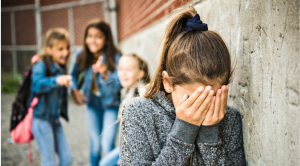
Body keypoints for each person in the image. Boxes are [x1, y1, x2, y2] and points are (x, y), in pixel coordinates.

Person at [120, 7, 246, 166]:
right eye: (194, 99)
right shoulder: (138, 112)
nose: (202, 107)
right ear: (168, 83)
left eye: (211, 97)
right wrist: (183, 132)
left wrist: (210, 136)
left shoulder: (229, 119)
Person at [69, 19, 122, 166]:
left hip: (111, 104)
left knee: (107, 144)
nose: (93, 40)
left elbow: (118, 86)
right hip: (92, 104)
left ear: (106, 39)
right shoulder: (81, 54)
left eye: (98, 36)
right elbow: (71, 75)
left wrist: (105, 74)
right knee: (95, 146)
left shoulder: (115, 56)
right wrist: (74, 90)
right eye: (89, 36)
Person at [30, 28, 73, 166]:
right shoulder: (41, 65)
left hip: (54, 119)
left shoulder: (61, 66)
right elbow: (36, 84)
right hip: (41, 120)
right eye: (60, 49)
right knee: (49, 162)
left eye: (67, 48)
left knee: (66, 159)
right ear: (49, 49)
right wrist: (56, 80)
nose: (65, 52)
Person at [99, 54, 150, 166]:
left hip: (137, 149)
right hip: (127, 145)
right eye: (120, 69)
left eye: (129, 69)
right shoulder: (128, 92)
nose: (123, 73)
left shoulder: (140, 95)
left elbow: (141, 133)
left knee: (104, 164)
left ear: (141, 73)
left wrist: (125, 156)